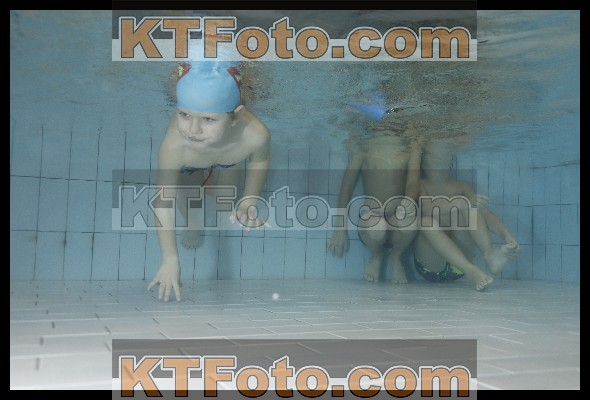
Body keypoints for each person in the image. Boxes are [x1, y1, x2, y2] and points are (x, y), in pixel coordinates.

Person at [148, 61, 270, 302]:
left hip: (228, 158)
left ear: (235, 117)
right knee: (186, 195)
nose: (193, 130)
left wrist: (249, 200)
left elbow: (260, 160)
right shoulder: (175, 145)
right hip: (190, 162)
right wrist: (170, 259)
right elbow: (163, 204)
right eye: (184, 115)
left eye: (208, 119)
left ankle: (212, 179)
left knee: (227, 204)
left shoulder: (255, 134)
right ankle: (192, 221)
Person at [412, 144, 520, 291]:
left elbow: (485, 214)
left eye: (445, 154)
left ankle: (489, 255)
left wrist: (506, 236)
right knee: (425, 222)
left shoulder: (462, 186)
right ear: (423, 162)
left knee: (473, 209)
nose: (440, 158)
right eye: (433, 155)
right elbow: (426, 208)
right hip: (431, 266)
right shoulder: (419, 184)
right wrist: (461, 203)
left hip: (459, 266)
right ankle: (472, 272)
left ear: (451, 161)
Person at [327, 131, 423, 284]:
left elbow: (413, 181)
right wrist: (340, 229)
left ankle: (396, 256)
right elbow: (347, 186)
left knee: (411, 221)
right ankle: (377, 255)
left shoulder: (410, 147)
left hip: (397, 218)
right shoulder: (364, 149)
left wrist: (409, 200)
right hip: (371, 220)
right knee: (377, 226)